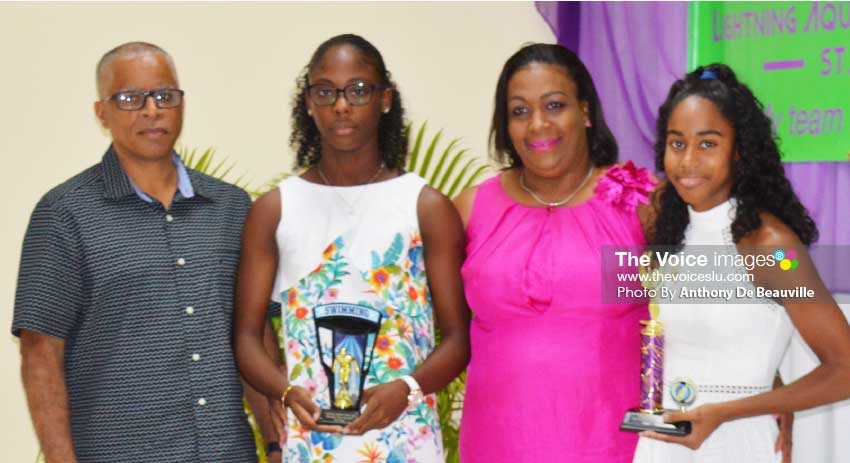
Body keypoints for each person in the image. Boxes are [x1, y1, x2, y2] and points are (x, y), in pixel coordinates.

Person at [12, 42, 265, 462]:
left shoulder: (232, 208)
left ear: (182, 105)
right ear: (101, 113)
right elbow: (40, 351)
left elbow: (255, 339)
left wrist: (275, 444)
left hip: (228, 453)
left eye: (165, 95)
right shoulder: (64, 213)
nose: (152, 110)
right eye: (130, 99)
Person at [233, 33, 470, 463]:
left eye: (358, 90)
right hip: (312, 443)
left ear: (385, 100)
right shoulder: (274, 209)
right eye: (326, 91)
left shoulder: (426, 206)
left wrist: (408, 388)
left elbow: (457, 339)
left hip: (406, 439)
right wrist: (284, 391)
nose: (341, 105)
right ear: (308, 103)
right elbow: (246, 337)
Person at [633, 64, 850, 462]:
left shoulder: (772, 248)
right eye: (677, 143)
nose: (688, 161)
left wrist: (729, 410)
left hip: (735, 445)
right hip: (661, 444)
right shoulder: (664, 220)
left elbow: (845, 369)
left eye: (708, 144)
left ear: (740, 151)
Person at [453, 43, 657, 462]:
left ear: (585, 111)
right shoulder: (470, 208)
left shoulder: (640, 200)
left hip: (614, 445)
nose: (538, 124)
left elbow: (725, 299)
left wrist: (761, 393)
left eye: (554, 105)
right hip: (496, 444)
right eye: (520, 111)